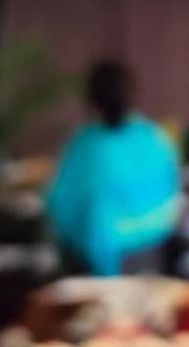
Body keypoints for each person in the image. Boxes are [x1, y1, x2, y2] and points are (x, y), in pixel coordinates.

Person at [46, 60, 180, 276]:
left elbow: (60, 204)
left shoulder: (84, 144)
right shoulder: (154, 139)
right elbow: (171, 200)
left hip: (91, 263)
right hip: (148, 255)